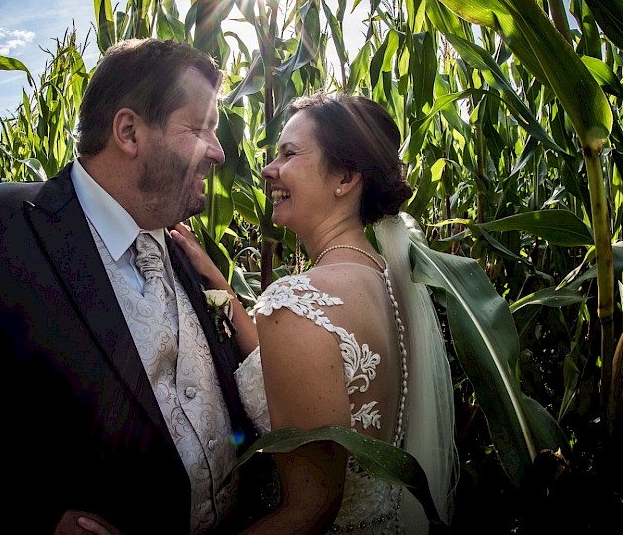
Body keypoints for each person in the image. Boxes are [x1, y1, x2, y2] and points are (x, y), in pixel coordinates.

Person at [0, 39, 262, 534]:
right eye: (200, 127)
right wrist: (33, 520)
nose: (219, 151)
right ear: (129, 131)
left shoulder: (187, 248)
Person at [170, 93, 457, 533]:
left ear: (345, 176)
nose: (269, 169)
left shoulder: (299, 301)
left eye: (288, 154)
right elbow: (290, 359)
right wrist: (212, 274)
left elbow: (309, 511)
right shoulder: (385, 280)